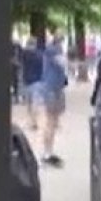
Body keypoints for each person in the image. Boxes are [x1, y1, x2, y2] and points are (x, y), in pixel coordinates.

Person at [35, 26, 69, 167]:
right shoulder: (52, 49)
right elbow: (63, 63)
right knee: (50, 122)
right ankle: (46, 153)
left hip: (56, 89)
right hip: (51, 90)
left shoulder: (57, 49)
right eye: (59, 34)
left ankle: (49, 151)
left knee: (53, 122)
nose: (61, 36)